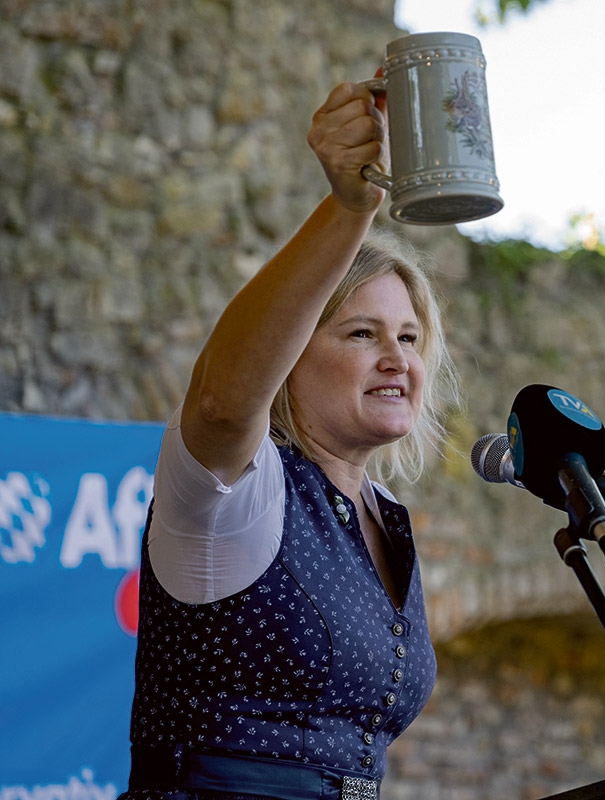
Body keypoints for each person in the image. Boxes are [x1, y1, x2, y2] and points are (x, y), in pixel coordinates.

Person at [119, 81, 461, 800]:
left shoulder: (386, 514)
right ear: (288, 355)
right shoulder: (235, 490)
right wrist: (348, 208)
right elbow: (217, 403)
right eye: (362, 334)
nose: (397, 358)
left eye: (408, 337)